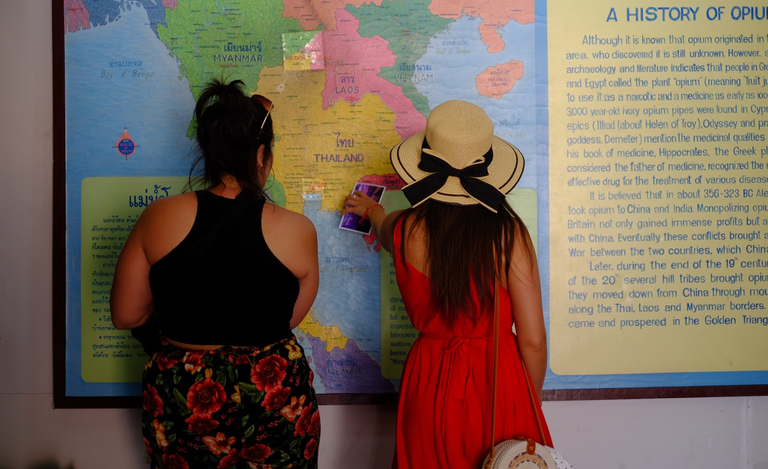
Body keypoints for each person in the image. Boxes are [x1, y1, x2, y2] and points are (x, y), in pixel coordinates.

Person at [110, 78, 321, 468]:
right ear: (262, 155)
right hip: (272, 393)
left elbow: (126, 315)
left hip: (182, 392)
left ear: (208, 151)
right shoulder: (297, 230)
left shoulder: (159, 216)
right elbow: (283, 320)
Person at [342, 100, 552, 469]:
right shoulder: (508, 234)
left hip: (429, 379)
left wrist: (369, 209)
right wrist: (526, 398)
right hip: (499, 379)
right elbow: (533, 340)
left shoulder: (405, 229)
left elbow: (382, 223)